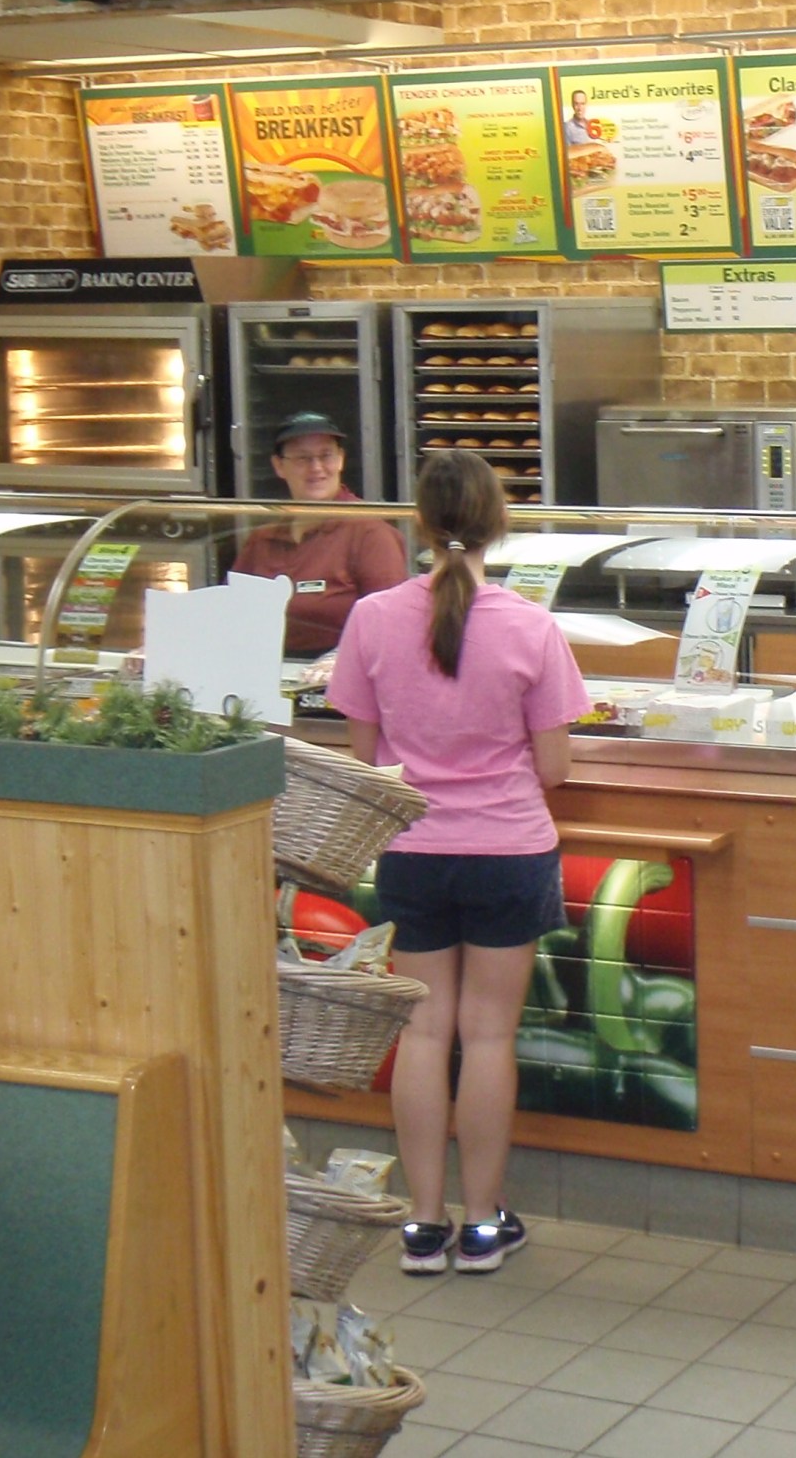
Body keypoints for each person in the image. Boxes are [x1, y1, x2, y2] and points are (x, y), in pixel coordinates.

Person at [326, 451, 589, 1275]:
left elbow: (366, 755)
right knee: (487, 1036)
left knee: (424, 1032)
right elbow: (556, 768)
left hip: (412, 854)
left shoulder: (371, 618)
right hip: (508, 850)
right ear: (497, 524)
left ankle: (422, 1223)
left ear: (418, 524)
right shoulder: (528, 624)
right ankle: (481, 1225)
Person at [230, 411, 408, 657]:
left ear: (341, 460)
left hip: (341, 678)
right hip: (265, 671)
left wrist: (336, 661)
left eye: (326, 456)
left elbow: (390, 626)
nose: (317, 468)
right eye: (303, 458)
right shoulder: (263, 539)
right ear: (279, 466)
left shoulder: (369, 533)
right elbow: (233, 612)